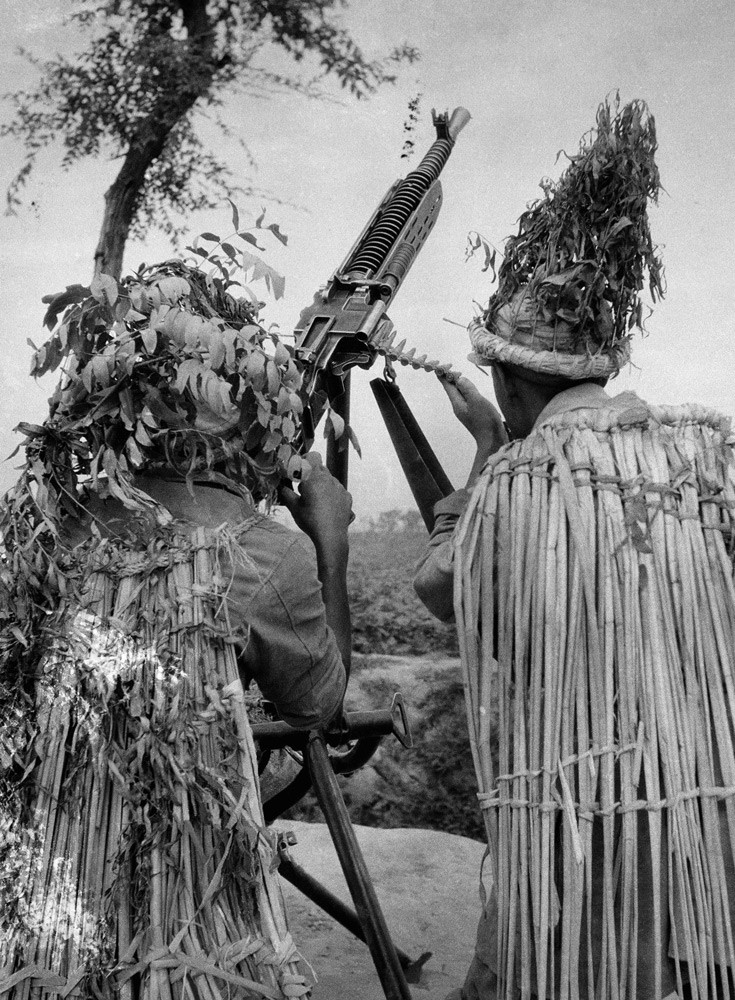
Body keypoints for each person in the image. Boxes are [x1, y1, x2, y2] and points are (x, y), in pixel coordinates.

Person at [414, 101, 735, 1000]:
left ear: (508, 380)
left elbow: (444, 591)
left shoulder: (523, 481)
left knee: (552, 965)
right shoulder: (699, 454)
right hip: (695, 778)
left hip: (573, 785)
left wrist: (483, 451)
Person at [0, 259, 350, 998]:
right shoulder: (262, 550)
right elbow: (317, 709)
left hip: (51, 898)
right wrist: (330, 544)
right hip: (186, 913)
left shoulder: (54, 529)